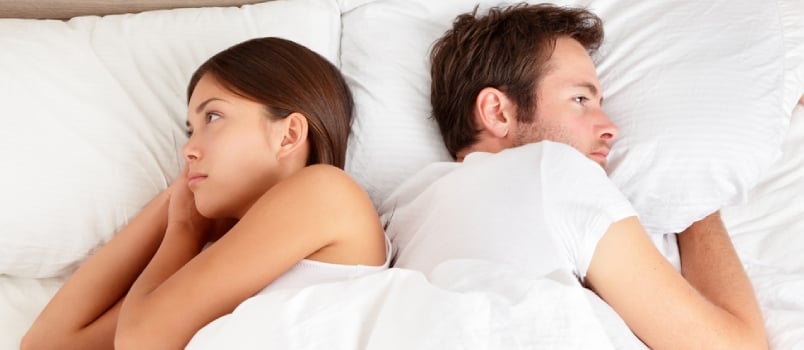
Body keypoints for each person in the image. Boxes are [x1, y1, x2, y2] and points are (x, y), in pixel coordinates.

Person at [380, 3, 767, 349]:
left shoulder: (397, 214)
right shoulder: (553, 169)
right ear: (498, 112)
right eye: (580, 99)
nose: (610, 127)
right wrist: (696, 203)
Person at [21, 37, 389, 350]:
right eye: (189, 132)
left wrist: (183, 228)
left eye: (212, 117)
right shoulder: (225, 260)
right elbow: (46, 343)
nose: (188, 150)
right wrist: (176, 203)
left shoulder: (325, 191)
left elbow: (141, 342)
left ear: (289, 135)